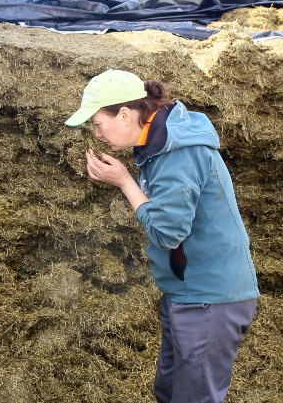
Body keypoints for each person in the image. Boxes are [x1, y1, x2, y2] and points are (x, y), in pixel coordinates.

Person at [65, 70, 259, 403]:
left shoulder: (177, 153)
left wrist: (125, 182)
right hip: (187, 291)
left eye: (97, 124)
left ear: (125, 115)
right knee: (169, 391)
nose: (96, 135)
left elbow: (167, 233)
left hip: (209, 297)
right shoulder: (160, 144)